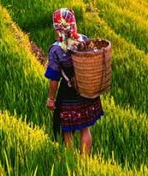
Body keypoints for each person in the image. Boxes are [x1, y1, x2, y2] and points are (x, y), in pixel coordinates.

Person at [44, 8, 104, 155]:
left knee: (67, 129)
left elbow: (54, 78)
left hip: (68, 92)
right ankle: (85, 161)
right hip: (85, 89)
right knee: (85, 128)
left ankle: (70, 158)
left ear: (57, 28)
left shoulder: (56, 50)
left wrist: (51, 99)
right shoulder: (83, 40)